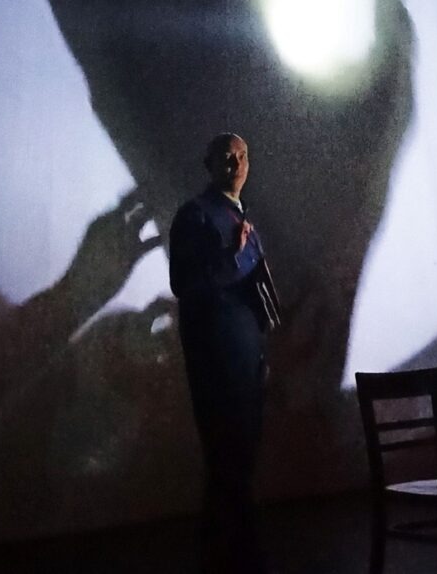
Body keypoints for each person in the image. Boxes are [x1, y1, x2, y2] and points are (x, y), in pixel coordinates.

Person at [169, 133, 277, 574]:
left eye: (242, 156)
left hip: (246, 359)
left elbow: (254, 294)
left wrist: (261, 354)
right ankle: (229, 556)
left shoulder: (242, 217)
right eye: (226, 158)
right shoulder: (195, 215)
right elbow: (184, 284)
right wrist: (232, 256)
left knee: (241, 459)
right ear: (209, 165)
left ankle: (230, 554)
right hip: (216, 361)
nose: (236, 164)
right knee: (226, 457)